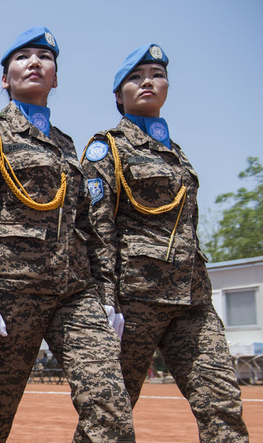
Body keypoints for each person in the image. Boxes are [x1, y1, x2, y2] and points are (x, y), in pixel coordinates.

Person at [0, 26, 135, 443]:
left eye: (44, 57)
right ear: (5, 79)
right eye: (22, 57)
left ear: (56, 78)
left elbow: (90, 226)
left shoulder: (66, 144)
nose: (34, 62)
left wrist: (106, 295)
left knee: (110, 402)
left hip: (74, 292)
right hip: (12, 293)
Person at [80, 44, 250, 442]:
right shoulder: (108, 148)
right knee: (110, 415)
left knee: (222, 403)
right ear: (118, 95)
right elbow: (96, 228)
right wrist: (104, 300)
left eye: (156, 75)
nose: (148, 82)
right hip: (134, 301)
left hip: (192, 302)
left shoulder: (177, 153)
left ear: (168, 86)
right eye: (135, 77)